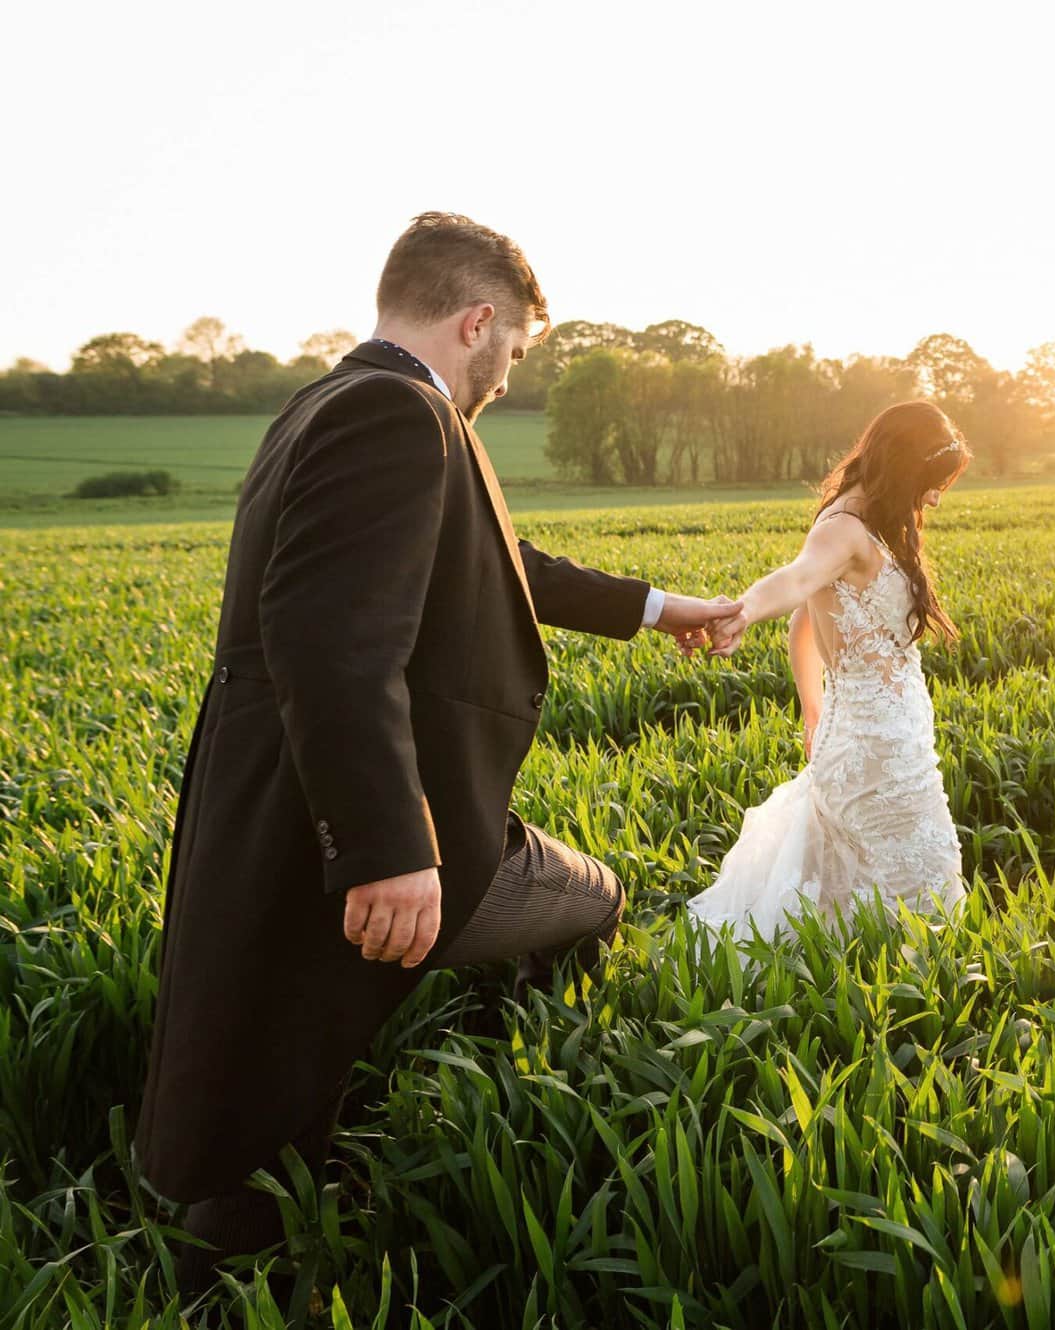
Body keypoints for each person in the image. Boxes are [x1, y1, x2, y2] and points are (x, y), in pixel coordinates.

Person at [132, 212, 742, 1288]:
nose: (509, 376)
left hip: (276, 797)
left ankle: (234, 1259)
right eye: (513, 349)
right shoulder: (396, 414)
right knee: (591, 897)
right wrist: (384, 845)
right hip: (372, 813)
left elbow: (505, 558)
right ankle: (266, 1256)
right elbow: (325, 638)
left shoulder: (331, 399)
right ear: (477, 321)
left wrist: (655, 607)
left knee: (274, 1029)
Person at [686, 401, 970, 937]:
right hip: (875, 750)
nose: (934, 497)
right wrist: (739, 613)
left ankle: (886, 990)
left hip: (891, 741)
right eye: (932, 483)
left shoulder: (874, 522)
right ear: (904, 466)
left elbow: (804, 621)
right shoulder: (842, 528)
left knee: (887, 887)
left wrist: (812, 708)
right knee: (919, 888)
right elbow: (795, 581)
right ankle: (906, 998)